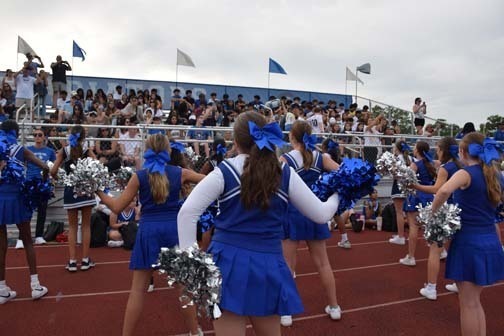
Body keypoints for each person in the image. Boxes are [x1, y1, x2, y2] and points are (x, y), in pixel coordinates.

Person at [177, 112, 341, 335]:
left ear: (235, 142)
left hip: (226, 264)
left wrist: (192, 267)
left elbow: (186, 213)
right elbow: (321, 214)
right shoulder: (285, 174)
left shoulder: (224, 172)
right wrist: (340, 193)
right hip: (268, 266)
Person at [96, 133, 205, 336]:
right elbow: (210, 183)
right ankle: (195, 332)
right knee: (183, 288)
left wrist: (98, 190)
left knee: (138, 290)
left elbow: (117, 206)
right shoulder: (180, 173)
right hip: (174, 232)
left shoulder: (139, 176)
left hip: (148, 232)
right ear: (169, 151)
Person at [430, 133, 504, 335]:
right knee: (475, 302)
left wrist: (432, 213)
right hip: (490, 240)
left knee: (468, 304)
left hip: (469, 243)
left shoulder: (465, 173)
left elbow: (443, 191)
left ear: (463, 152)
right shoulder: (496, 174)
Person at [280, 121, 341, 326]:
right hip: (316, 212)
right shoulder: (321, 157)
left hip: (292, 214)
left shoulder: (285, 159)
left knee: (287, 265)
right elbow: (345, 174)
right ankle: (334, 307)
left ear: (292, 138)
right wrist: (330, 193)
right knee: (323, 263)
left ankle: (286, 312)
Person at [0, 120, 49, 304]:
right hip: (18, 198)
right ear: (14, 132)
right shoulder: (20, 149)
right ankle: (35, 286)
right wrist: (42, 183)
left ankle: (2, 289)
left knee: (1, 245)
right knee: (27, 240)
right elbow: (44, 166)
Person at [412, 137, 461, 300]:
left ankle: (431, 288)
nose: (436, 151)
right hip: (460, 210)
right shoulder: (462, 165)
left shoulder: (445, 168)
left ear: (444, 150)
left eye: (438, 149)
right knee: (456, 248)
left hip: (444, 210)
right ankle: (458, 282)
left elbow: (437, 189)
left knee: (435, 249)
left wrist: (416, 186)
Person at [50, 125, 97, 272]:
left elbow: (53, 171)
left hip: (71, 190)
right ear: (83, 138)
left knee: (71, 226)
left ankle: (72, 261)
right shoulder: (87, 151)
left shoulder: (64, 151)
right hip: (86, 190)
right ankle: (84, 260)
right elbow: (97, 167)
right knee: (86, 226)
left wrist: (61, 179)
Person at [399, 141, 436, 266]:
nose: (413, 149)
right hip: (430, 195)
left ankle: (411, 257)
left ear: (418, 151)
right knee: (430, 226)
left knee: (414, 226)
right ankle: (440, 251)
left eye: (415, 148)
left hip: (417, 196)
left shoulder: (416, 164)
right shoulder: (432, 163)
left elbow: (405, 179)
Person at [24, 127, 56, 246]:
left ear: (44, 137)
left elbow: (53, 167)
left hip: (43, 182)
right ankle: (21, 238)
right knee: (26, 211)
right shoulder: (27, 149)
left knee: (42, 211)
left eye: (40, 135)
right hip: (30, 182)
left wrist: (52, 183)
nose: (37, 137)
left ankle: (39, 235)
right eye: (35, 135)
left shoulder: (50, 151)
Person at [389, 141, 413, 245]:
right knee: (409, 213)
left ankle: (401, 236)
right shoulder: (410, 158)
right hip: (409, 187)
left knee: (399, 212)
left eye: (394, 147)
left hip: (398, 186)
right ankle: (411, 235)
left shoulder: (396, 159)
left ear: (397, 148)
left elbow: (394, 175)